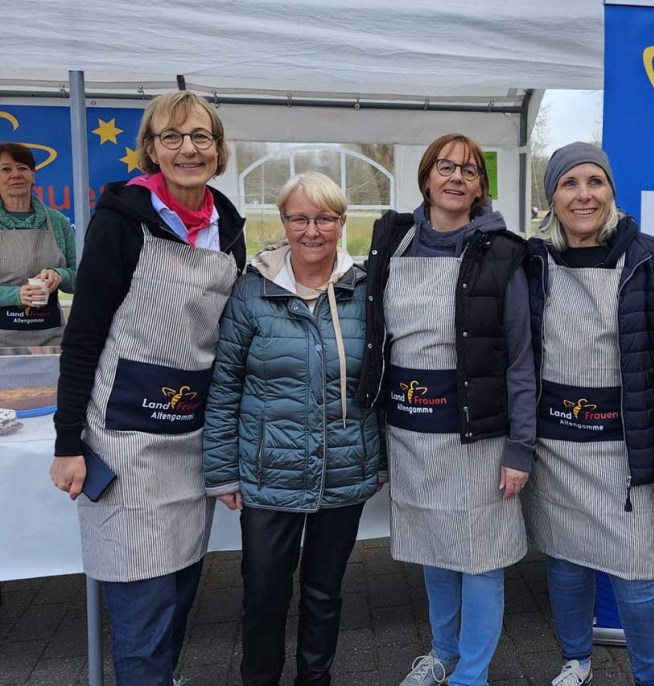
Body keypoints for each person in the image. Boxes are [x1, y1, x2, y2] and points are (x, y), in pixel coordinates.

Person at [48, 91, 247, 684]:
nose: (188, 149)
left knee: (181, 585)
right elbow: (83, 336)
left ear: (218, 149)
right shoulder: (121, 220)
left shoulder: (228, 228)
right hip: (124, 441)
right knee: (141, 596)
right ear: (152, 149)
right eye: (172, 137)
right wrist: (67, 442)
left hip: (191, 436)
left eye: (201, 137)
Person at [356, 133, 536, 686]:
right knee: (435, 547)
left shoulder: (504, 253)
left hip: (478, 434)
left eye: (470, 170)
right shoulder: (394, 243)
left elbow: (520, 359)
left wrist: (520, 448)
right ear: (426, 177)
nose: (457, 177)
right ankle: (442, 653)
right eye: (446, 166)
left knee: (481, 556)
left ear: (481, 187)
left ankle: (471, 675)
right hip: (412, 432)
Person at [524, 142, 654, 686]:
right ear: (552, 197)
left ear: (612, 192)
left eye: (594, 182)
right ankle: (576, 661)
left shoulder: (645, 256)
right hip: (554, 445)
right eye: (569, 183)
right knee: (565, 560)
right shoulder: (533, 260)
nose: (583, 195)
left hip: (624, 447)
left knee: (638, 574)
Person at [204, 171, 384, 685]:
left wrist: (379, 462)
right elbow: (225, 385)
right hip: (269, 474)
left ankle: (315, 679)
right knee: (264, 595)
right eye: (300, 218)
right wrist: (222, 471)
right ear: (283, 223)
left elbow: (380, 384)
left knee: (324, 595)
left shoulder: (365, 291)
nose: (312, 230)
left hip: (343, 468)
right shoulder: (252, 291)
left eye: (324, 218)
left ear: (341, 223)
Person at [0, 142, 77, 349]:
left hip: (51, 341)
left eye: (23, 168)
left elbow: (78, 279)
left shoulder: (57, 221)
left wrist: (59, 274)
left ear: (33, 176)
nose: (16, 174)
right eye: (6, 169)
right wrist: (16, 295)